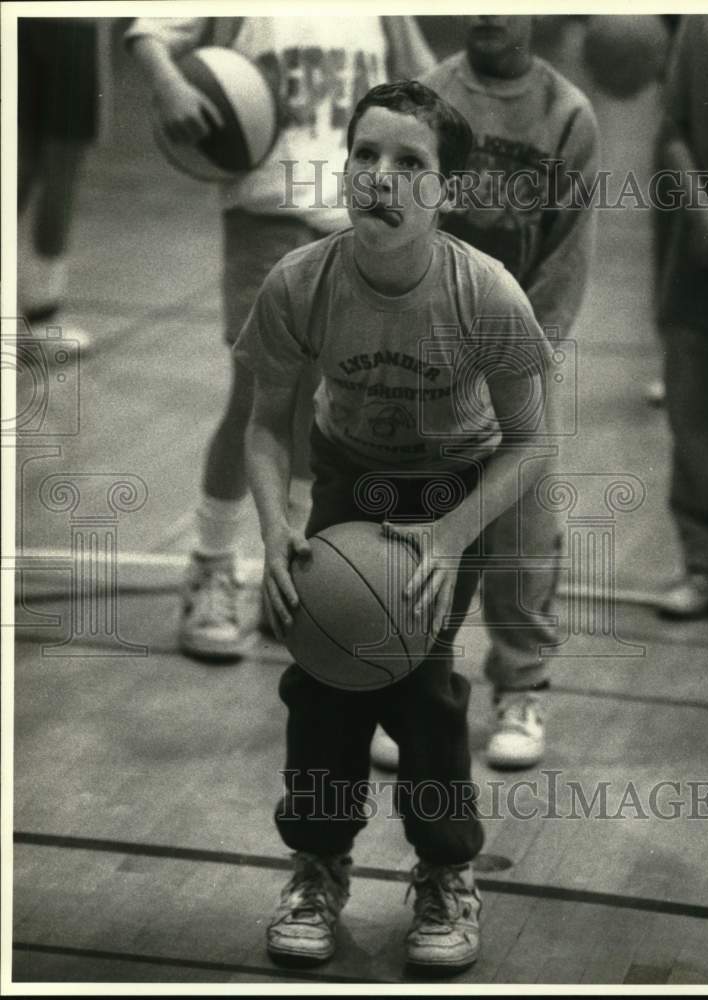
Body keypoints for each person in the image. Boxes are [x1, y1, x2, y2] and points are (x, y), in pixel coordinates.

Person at [235, 81, 555, 972]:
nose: (383, 178)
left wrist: (452, 537)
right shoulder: (301, 281)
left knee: (418, 682)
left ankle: (448, 873)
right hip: (348, 480)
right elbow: (265, 424)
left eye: (411, 162)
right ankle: (318, 864)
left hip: (454, 490)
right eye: (367, 155)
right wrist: (272, 530)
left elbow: (532, 442)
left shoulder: (484, 292)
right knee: (323, 676)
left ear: (444, 189)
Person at [125, 16, 434, 660]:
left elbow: (424, 77)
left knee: (321, 415)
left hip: (353, 225)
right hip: (267, 221)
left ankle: (288, 572)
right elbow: (148, 29)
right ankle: (210, 567)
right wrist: (168, 87)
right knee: (256, 401)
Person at [371, 15, 599, 771]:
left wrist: (521, 352)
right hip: (427, 348)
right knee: (412, 514)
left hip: (516, 352)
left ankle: (522, 686)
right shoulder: (428, 95)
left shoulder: (567, 115)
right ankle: (408, 682)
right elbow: (396, 221)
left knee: (522, 526)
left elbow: (568, 250)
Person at [652, 15, 708, 619]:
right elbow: (673, 129)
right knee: (695, 414)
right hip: (706, 260)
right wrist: (703, 221)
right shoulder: (705, 25)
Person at [17, 17, 103, 351]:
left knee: (18, 160)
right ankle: (42, 313)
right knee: (62, 165)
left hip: (21, 22)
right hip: (74, 25)